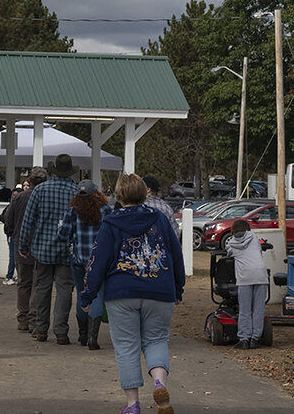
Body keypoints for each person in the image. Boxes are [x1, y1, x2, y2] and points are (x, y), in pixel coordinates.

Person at [79, 173, 186, 414]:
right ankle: (159, 383)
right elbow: (175, 255)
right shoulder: (159, 219)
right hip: (160, 289)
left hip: (122, 291)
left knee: (127, 346)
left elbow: (97, 262)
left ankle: (132, 404)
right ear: (144, 193)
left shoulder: (111, 223)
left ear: (119, 196)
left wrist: (87, 296)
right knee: (157, 340)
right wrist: (178, 288)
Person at [19, 152, 79, 343]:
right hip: (67, 248)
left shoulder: (40, 190)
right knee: (64, 290)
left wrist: (23, 245)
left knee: (42, 288)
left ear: (53, 171)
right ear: (71, 172)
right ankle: (61, 331)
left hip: (42, 248)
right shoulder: (77, 192)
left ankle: (41, 327)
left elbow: (28, 221)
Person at [56, 178, 110, 349]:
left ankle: (83, 335)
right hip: (100, 261)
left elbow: (63, 235)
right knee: (97, 295)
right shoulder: (105, 210)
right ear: (96, 193)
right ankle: (94, 338)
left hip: (79, 260)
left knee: (81, 295)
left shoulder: (73, 211)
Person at [7, 168, 46, 321]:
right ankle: (33, 316)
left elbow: (8, 221)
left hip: (20, 245)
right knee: (38, 283)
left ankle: (23, 317)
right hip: (41, 246)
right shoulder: (45, 198)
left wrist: (12, 233)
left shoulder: (19, 198)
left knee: (23, 283)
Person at [222, 218, 268, 349]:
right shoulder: (253, 236)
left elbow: (229, 253)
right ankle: (255, 338)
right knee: (258, 309)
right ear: (247, 229)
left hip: (245, 277)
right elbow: (260, 248)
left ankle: (244, 338)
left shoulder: (230, 244)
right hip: (260, 274)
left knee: (245, 309)